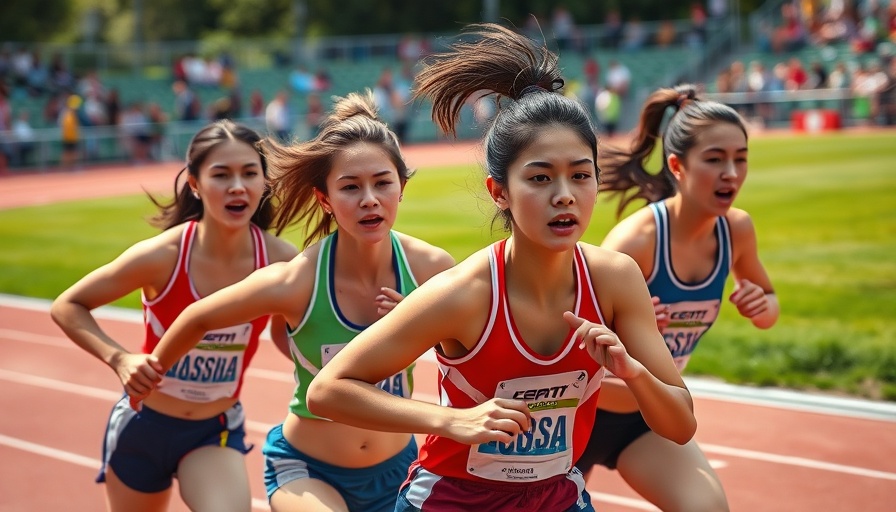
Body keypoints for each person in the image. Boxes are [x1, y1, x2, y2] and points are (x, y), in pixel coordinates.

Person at [306, 23, 697, 512]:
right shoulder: (465, 293)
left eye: (581, 175)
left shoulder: (614, 279)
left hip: (556, 496)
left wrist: (630, 371)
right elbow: (328, 389)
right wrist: (447, 421)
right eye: (540, 177)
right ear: (500, 192)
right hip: (452, 500)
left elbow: (680, 425)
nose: (564, 195)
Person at [126, 90, 455, 512]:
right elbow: (197, 317)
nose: (369, 198)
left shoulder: (431, 269)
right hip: (307, 471)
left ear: (401, 187)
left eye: (382, 183)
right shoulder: (298, 280)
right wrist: (147, 376)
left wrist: (419, 328)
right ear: (325, 199)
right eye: (350, 187)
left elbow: (467, 351)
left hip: (401, 467)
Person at [50, 120, 299, 512]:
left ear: (265, 182)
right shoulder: (163, 257)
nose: (238, 186)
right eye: (221, 175)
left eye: (250, 173)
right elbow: (67, 305)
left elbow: (293, 331)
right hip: (143, 424)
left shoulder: (280, 260)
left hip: (213, 430)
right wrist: (120, 358)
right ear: (196, 185)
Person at [576, 84, 780, 512]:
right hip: (579, 414)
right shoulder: (639, 240)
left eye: (740, 159)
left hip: (646, 420)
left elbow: (769, 307)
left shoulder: (736, 231)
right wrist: (625, 324)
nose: (732, 173)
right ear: (677, 165)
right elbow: (568, 332)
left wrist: (763, 306)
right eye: (715, 159)